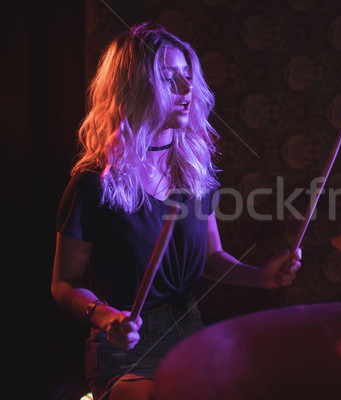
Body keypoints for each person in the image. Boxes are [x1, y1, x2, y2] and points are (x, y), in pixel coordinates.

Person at [51, 22, 301, 400]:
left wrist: (259, 277)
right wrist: (106, 318)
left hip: (191, 331)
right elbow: (64, 284)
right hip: (125, 348)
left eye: (188, 77)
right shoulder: (93, 182)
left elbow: (210, 256)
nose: (187, 91)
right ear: (133, 90)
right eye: (170, 79)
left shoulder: (193, 170)